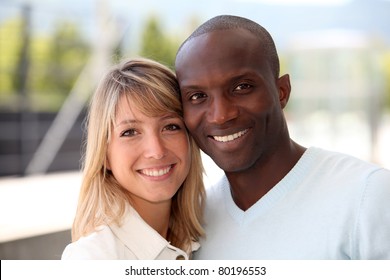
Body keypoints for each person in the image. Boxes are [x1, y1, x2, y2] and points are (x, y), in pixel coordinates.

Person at [174, 15, 390, 259]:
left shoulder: (368, 195)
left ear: (282, 92)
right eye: (197, 96)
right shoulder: (194, 221)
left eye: (242, 87)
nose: (221, 116)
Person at [62, 58, 205, 260]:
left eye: (171, 126)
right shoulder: (93, 258)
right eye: (130, 132)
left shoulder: (203, 237)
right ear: (104, 155)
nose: (156, 151)